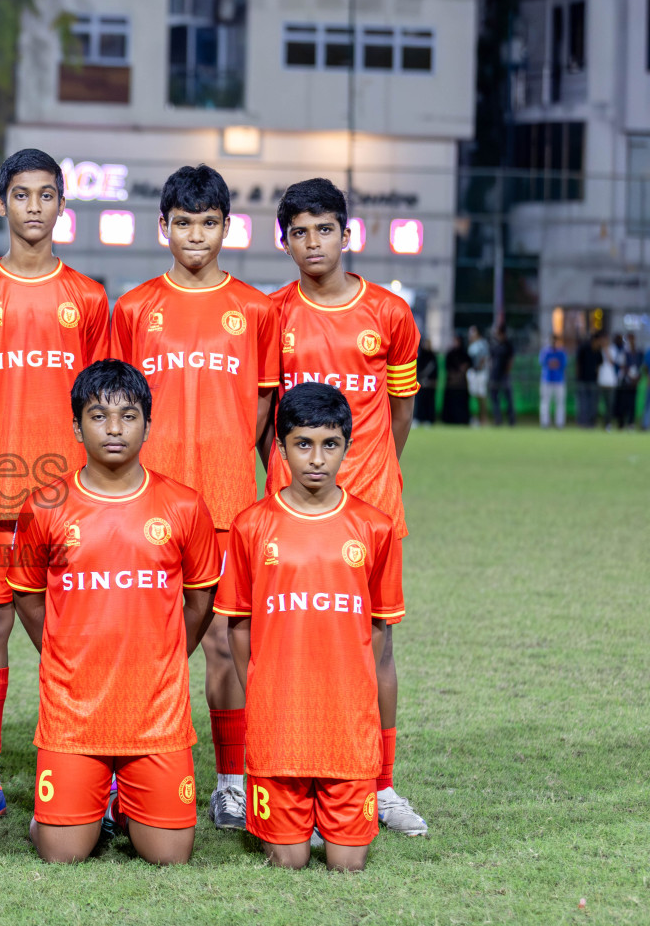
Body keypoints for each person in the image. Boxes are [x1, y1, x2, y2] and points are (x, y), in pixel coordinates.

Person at [108, 163, 279, 830]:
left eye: (209, 224)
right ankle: (121, 766)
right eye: (184, 224)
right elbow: (114, 403)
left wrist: (230, 462)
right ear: (163, 228)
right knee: (135, 637)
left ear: (226, 228)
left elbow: (263, 409)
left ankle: (231, 781)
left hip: (229, 505)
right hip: (147, 506)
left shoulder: (257, 310)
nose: (197, 237)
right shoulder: (133, 308)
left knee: (225, 646)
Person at [0, 148, 109, 823]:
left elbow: (101, 401)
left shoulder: (90, 297)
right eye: (22, 195)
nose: (34, 207)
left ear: (62, 206)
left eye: (47, 195)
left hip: (67, 498)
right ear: (1, 204)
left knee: (68, 639)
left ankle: (80, 763)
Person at [9, 360, 219, 865]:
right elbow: (27, 595)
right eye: (99, 416)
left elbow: (200, 600)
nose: (114, 428)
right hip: (73, 714)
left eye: (128, 416)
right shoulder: (44, 505)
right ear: (76, 426)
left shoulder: (185, 505)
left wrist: (168, 655)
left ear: (148, 423)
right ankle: (82, 802)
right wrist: (62, 651)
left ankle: (122, 798)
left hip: (156, 715)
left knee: (170, 857)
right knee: (62, 856)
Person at [267, 178, 425, 836]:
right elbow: (262, 414)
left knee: (375, 646)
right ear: (284, 241)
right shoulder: (270, 315)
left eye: (324, 229)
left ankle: (381, 786)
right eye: (299, 232)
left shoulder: (389, 313)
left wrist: (376, 469)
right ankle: (283, 774)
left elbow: (402, 410)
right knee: (285, 643)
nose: (313, 243)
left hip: (371, 504)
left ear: (347, 234)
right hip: (288, 510)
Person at [217, 382, 405, 871]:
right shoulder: (251, 526)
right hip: (281, 725)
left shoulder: (375, 527)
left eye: (329, 444)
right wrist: (257, 686)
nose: (316, 458)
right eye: (303, 444)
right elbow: (238, 625)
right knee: (290, 861)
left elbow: (378, 629)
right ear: (280, 448)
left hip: (346, 723)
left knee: (348, 864)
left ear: (347, 445)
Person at [441, 334, 471, 425]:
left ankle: (462, 420)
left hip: (461, 384)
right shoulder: (450, 354)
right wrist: (454, 376)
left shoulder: (465, 354)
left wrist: (460, 374)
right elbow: (447, 368)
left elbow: (468, 366)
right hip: (451, 383)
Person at [538, 336, 567, 429]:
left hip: (559, 380)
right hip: (547, 380)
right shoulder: (545, 352)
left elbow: (563, 364)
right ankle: (545, 423)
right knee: (545, 402)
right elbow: (543, 362)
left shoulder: (561, 352)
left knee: (560, 402)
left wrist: (553, 363)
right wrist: (553, 363)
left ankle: (560, 423)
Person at [488, 325, 515, 426]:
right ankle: (497, 420)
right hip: (494, 375)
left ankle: (511, 420)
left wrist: (507, 372)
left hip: (504, 375)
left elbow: (511, 360)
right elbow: (490, 359)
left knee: (508, 398)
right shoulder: (494, 344)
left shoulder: (508, 345)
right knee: (494, 398)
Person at [574, 333, 600, 427]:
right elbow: (577, 363)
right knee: (582, 403)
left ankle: (591, 422)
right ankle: (582, 422)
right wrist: (578, 378)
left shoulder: (598, 350)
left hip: (593, 380)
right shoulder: (583, 348)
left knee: (592, 403)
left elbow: (599, 365)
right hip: (582, 380)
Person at [466, 326, 489, 426]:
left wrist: (480, 366)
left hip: (481, 372)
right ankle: (474, 418)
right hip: (473, 372)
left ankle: (483, 418)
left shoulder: (482, 344)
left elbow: (484, 357)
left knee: (481, 396)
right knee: (473, 395)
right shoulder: (471, 345)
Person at [596, 332, 618, 430]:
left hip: (610, 382)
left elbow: (612, 362)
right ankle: (596, 422)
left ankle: (608, 424)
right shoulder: (597, 350)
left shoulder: (613, 349)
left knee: (609, 405)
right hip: (600, 381)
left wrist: (605, 349)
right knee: (598, 404)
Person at [414, 337, 438, 426]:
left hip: (430, 384)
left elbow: (435, 371)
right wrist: (420, 379)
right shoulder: (419, 356)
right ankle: (418, 418)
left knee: (429, 402)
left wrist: (432, 381)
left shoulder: (432, 356)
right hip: (420, 383)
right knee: (419, 402)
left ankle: (429, 419)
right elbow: (417, 369)